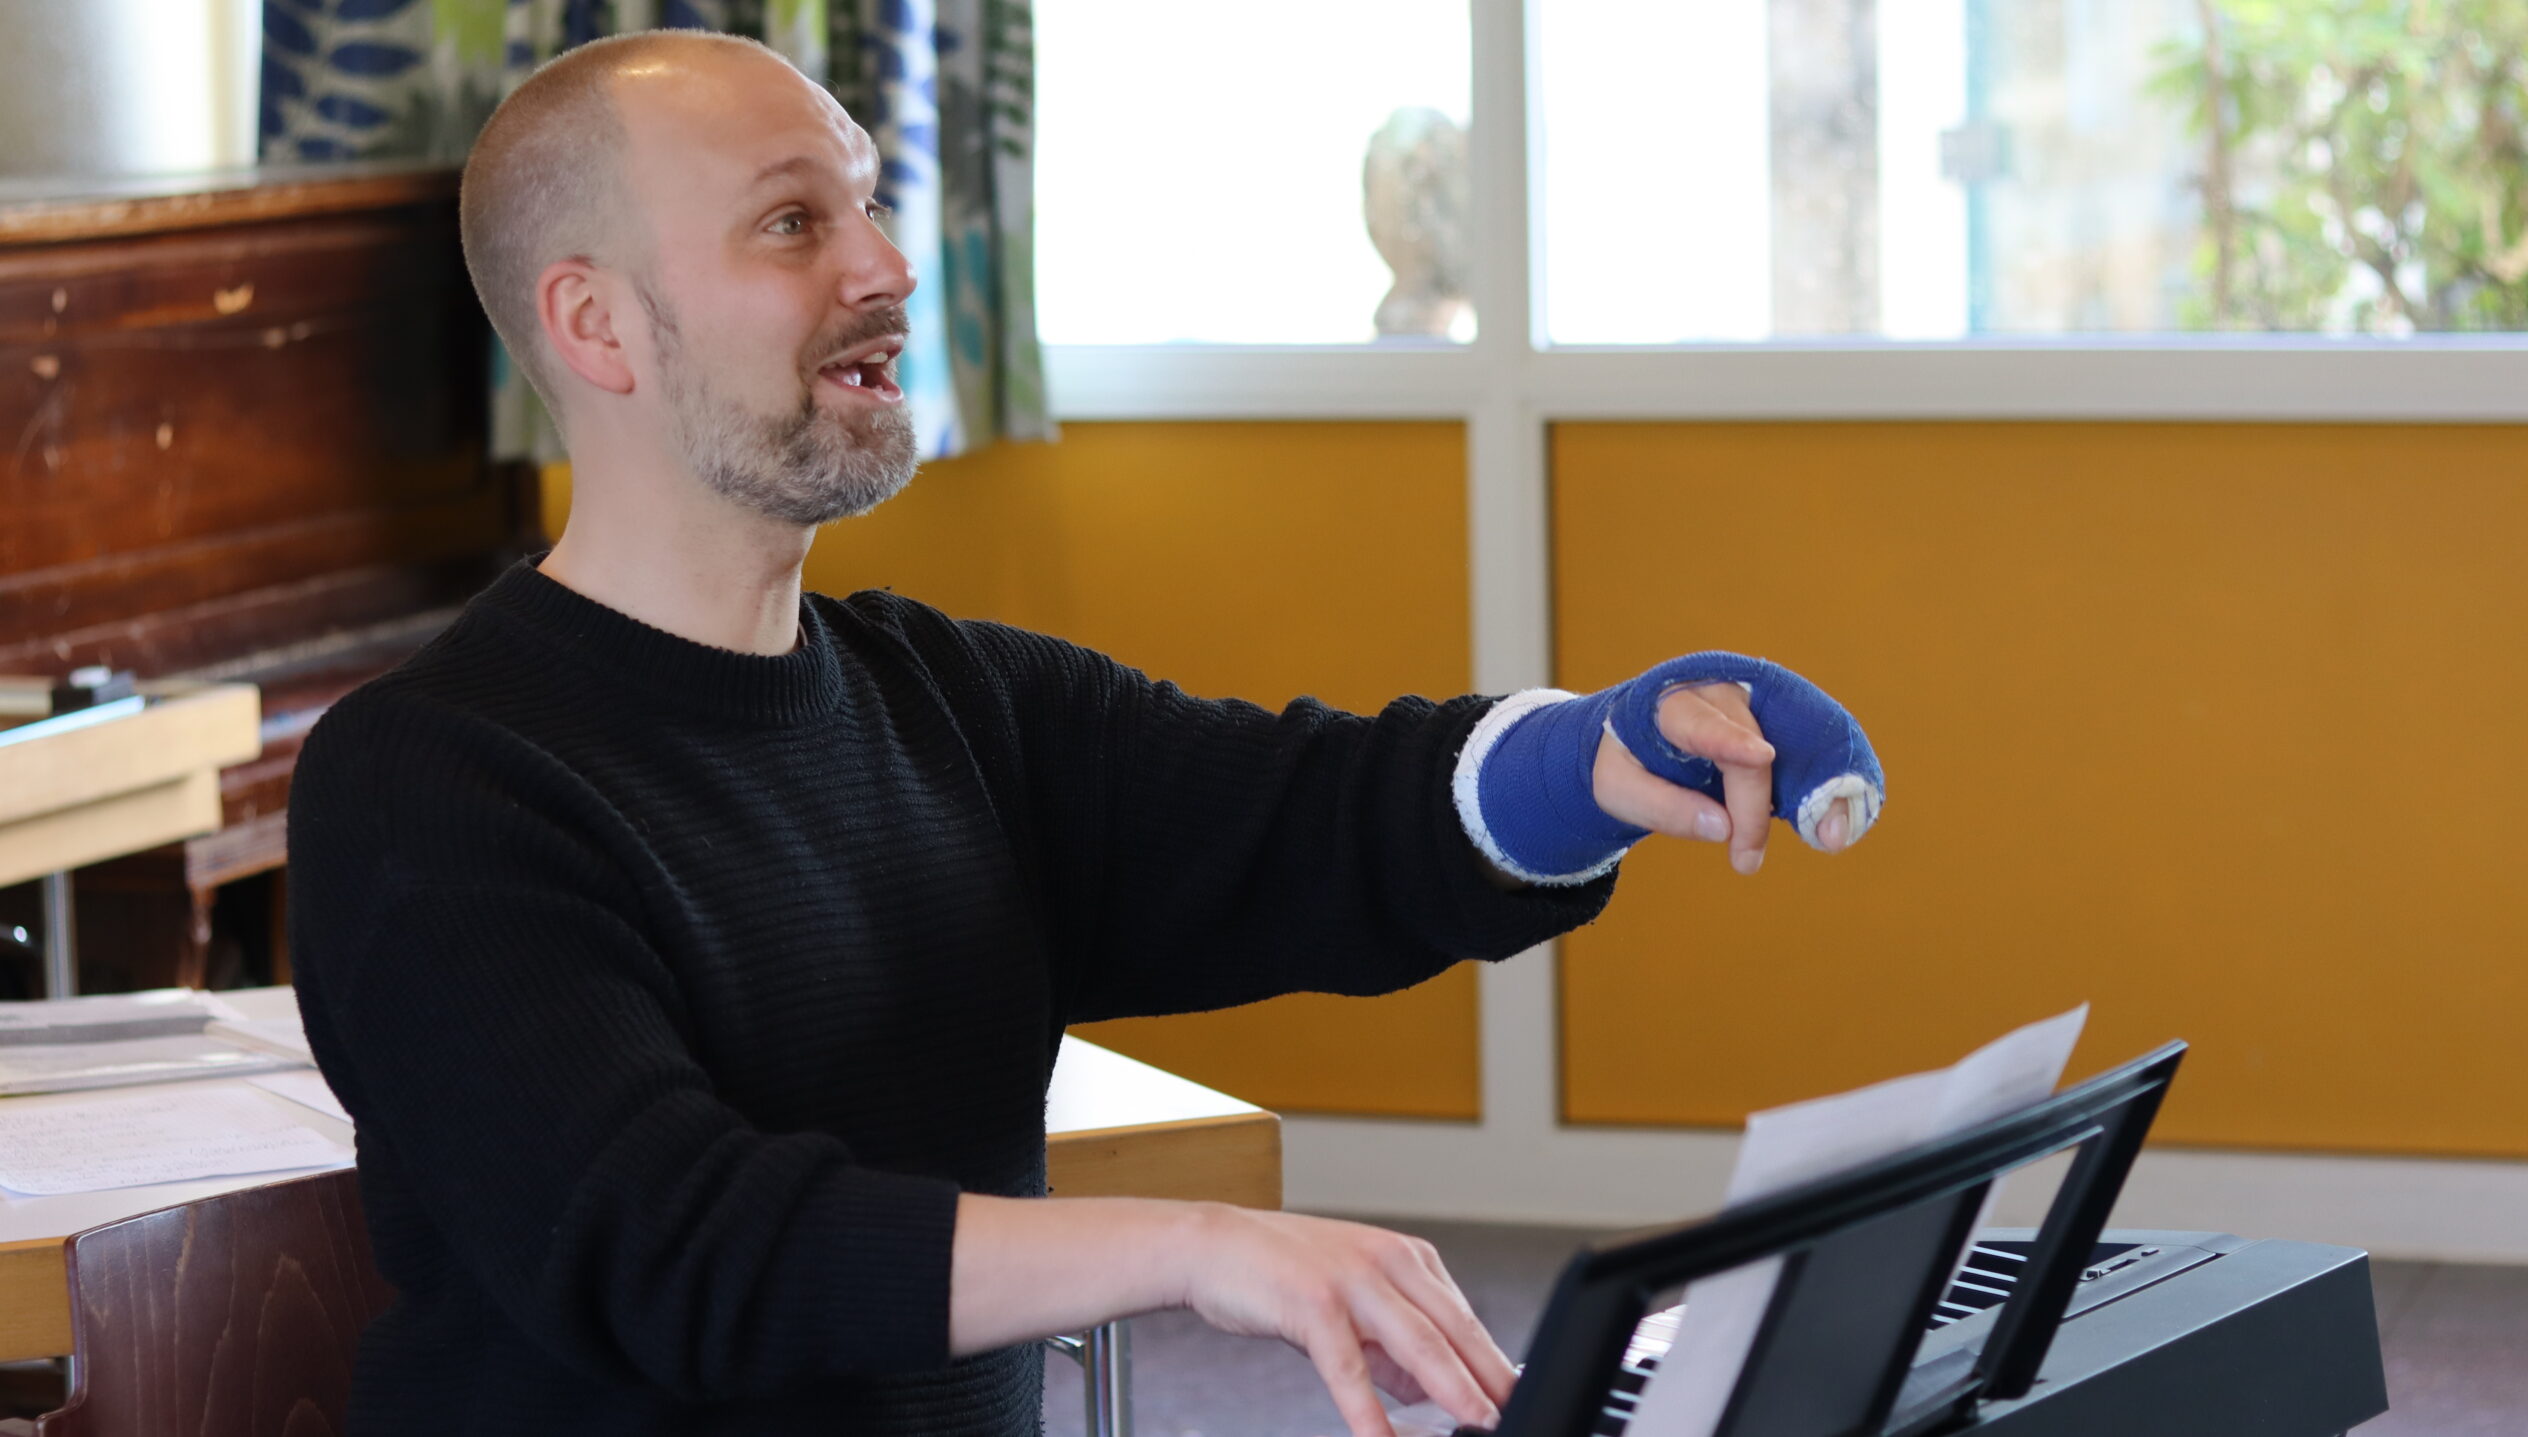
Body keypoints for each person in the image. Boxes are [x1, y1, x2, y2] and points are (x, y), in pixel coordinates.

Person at [286, 28, 1878, 1437]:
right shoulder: (429, 781)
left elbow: (1304, 818)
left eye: (868, 203)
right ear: (597, 326)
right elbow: (679, 1245)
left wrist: (1593, 760)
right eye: (792, 222)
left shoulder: (954, 699)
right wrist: (1198, 1244)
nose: (887, 264)